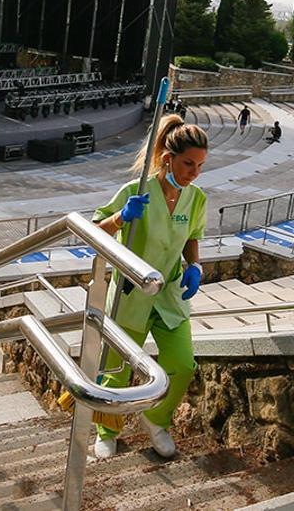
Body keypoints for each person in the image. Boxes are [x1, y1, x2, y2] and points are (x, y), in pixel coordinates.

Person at [91, 114, 209, 460]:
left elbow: (192, 237)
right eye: (189, 164)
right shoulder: (134, 192)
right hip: (131, 294)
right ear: (167, 158)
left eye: (200, 165)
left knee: (183, 365)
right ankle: (107, 429)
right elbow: (95, 231)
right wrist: (121, 218)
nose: (194, 173)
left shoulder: (196, 198)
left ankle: (156, 419)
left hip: (170, 295)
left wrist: (196, 265)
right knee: (116, 370)